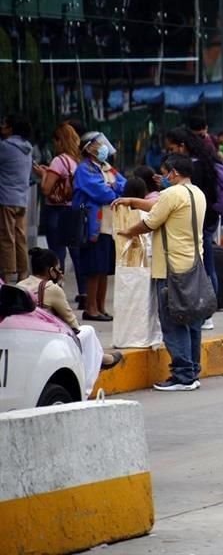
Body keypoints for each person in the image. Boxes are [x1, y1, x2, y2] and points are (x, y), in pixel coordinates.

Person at [115, 154, 206, 391]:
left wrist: (126, 232)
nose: (163, 177)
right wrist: (133, 201)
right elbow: (159, 208)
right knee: (192, 319)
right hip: (194, 264)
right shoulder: (196, 193)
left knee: (173, 321)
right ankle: (193, 371)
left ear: (173, 173)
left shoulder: (171, 194)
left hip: (170, 267)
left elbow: (150, 222)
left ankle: (183, 375)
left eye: (165, 173)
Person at [19, 248, 123, 396]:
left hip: (25, 337)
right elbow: (73, 325)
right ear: (51, 270)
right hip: (47, 339)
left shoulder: (19, 285)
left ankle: (102, 358)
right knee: (88, 331)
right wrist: (59, 287)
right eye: (59, 269)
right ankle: (87, 387)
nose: (60, 272)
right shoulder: (51, 288)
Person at [165, 127, 220, 329]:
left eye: (172, 148)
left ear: (182, 146)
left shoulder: (191, 169)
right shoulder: (205, 161)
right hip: (207, 219)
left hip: (195, 221)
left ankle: (205, 312)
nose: (171, 153)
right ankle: (208, 311)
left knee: (199, 267)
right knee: (207, 264)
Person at [73, 131, 126, 321]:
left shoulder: (106, 167)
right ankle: (91, 309)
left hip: (109, 227)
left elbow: (123, 185)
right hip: (93, 226)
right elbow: (103, 193)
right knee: (94, 269)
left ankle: (101, 307)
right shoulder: (84, 169)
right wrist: (114, 190)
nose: (102, 147)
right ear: (89, 148)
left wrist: (114, 189)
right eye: (97, 144)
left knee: (104, 268)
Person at [34, 120, 85, 307]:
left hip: (56, 210)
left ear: (59, 141)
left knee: (57, 254)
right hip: (72, 209)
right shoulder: (76, 161)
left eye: (55, 141)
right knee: (77, 253)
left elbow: (47, 189)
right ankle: (84, 292)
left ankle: (58, 293)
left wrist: (44, 175)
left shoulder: (59, 160)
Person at [0, 114, 33, 283]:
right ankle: (23, 272)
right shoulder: (28, 147)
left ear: (11, 128)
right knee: (20, 237)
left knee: (7, 237)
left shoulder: (5, 147)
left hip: (6, 199)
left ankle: (7, 273)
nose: (2, 127)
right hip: (22, 199)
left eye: (4, 124)